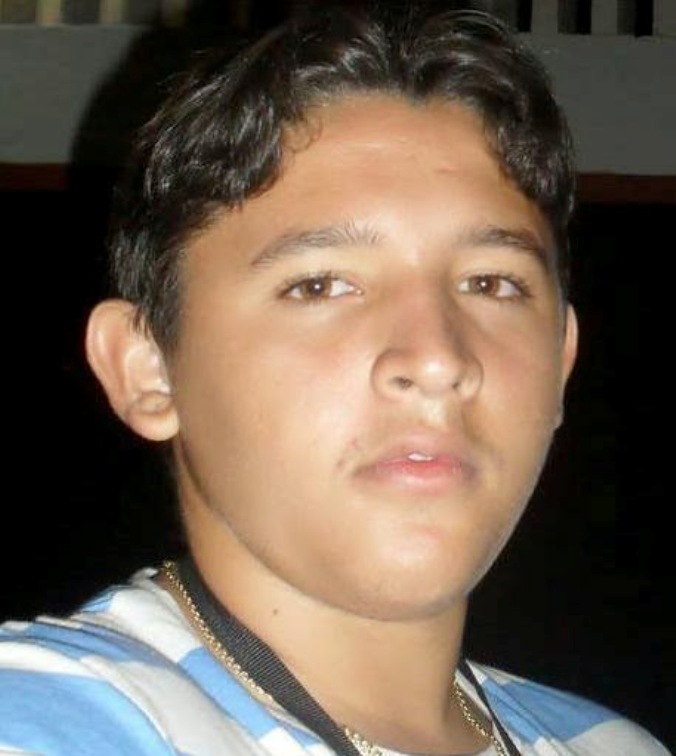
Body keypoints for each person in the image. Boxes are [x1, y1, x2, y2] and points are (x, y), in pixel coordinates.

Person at [0, 3, 670, 755]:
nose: (437, 359)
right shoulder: (42, 721)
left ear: (561, 361)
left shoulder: (617, 746)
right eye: (320, 285)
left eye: (491, 283)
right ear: (147, 369)